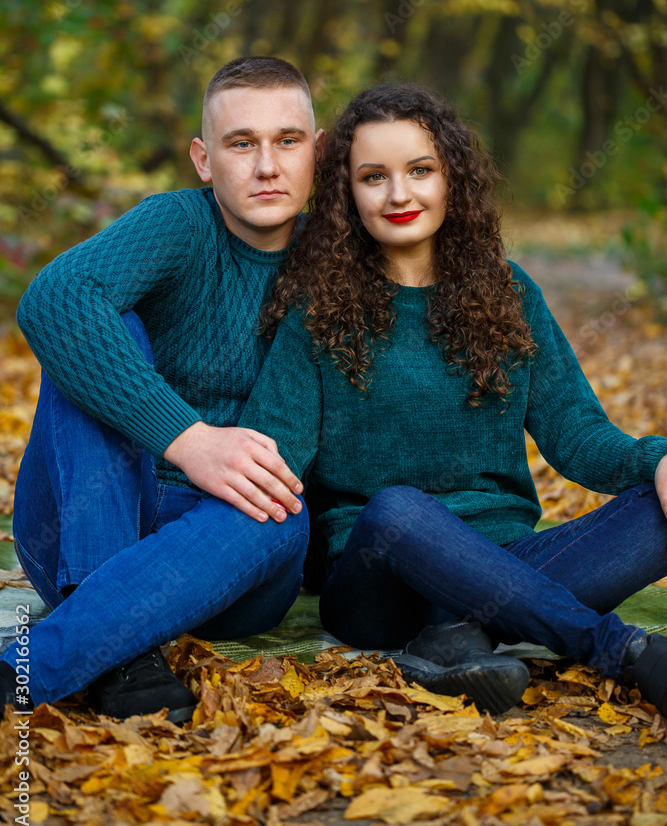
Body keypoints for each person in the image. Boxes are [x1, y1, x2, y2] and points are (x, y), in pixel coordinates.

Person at [238, 83, 667, 716]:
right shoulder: (319, 313)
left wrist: (656, 462)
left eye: (420, 170)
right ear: (345, 195)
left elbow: (577, 434)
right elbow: (273, 454)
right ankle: (619, 650)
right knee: (398, 512)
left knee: (658, 514)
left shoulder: (508, 294)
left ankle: (459, 639)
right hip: (377, 579)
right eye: (373, 177)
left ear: (452, 178)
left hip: (502, 562)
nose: (400, 194)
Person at [0, 56, 325, 723]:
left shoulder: (339, 261)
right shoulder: (178, 223)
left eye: (287, 141)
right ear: (204, 161)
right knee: (93, 325)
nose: (267, 166)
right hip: (80, 524)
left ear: (316, 153)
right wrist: (188, 440)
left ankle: (68, 657)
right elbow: (52, 299)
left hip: (230, 556)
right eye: (242, 143)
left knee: (280, 505)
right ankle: (112, 637)